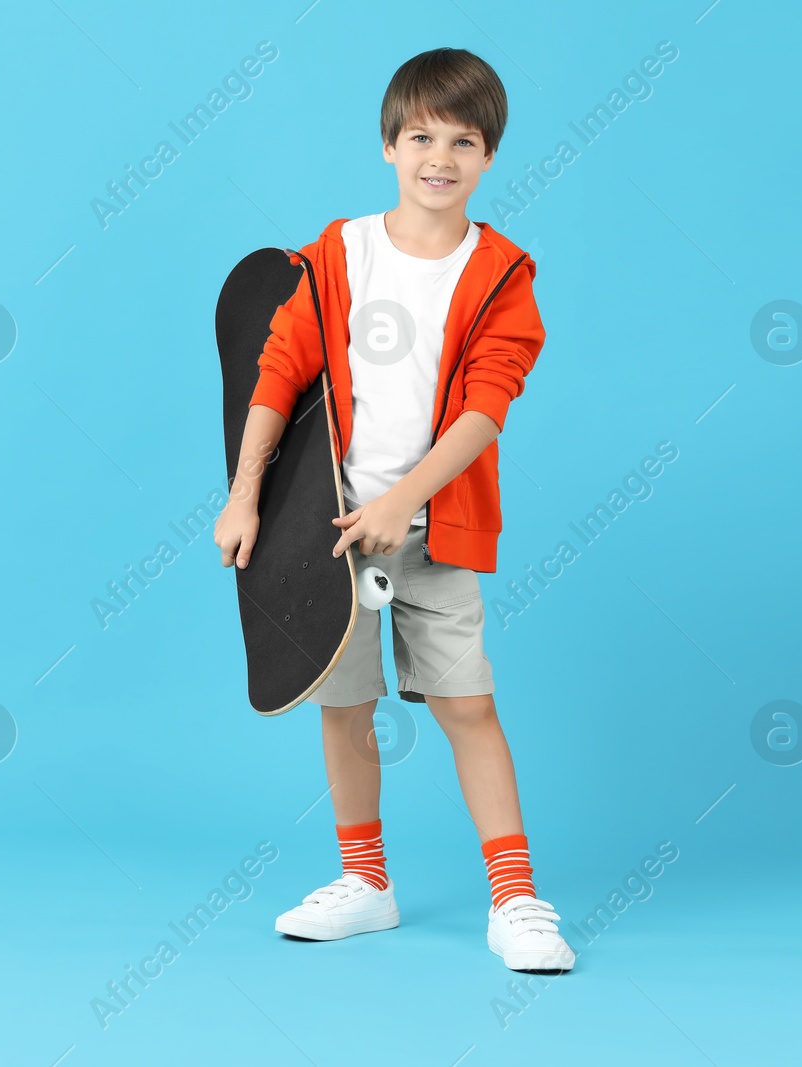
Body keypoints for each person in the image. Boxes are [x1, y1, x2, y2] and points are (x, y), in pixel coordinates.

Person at [213, 46, 574, 973]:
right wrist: (246, 496)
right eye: (421, 136)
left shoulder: (503, 273)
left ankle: (517, 897)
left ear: (489, 157)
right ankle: (367, 883)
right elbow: (276, 373)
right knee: (344, 708)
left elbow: (486, 408)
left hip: (432, 532)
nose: (440, 157)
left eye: (464, 140)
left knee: (466, 704)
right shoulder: (339, 252)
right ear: (388, 145)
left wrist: (403, 502)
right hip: (326, 533)